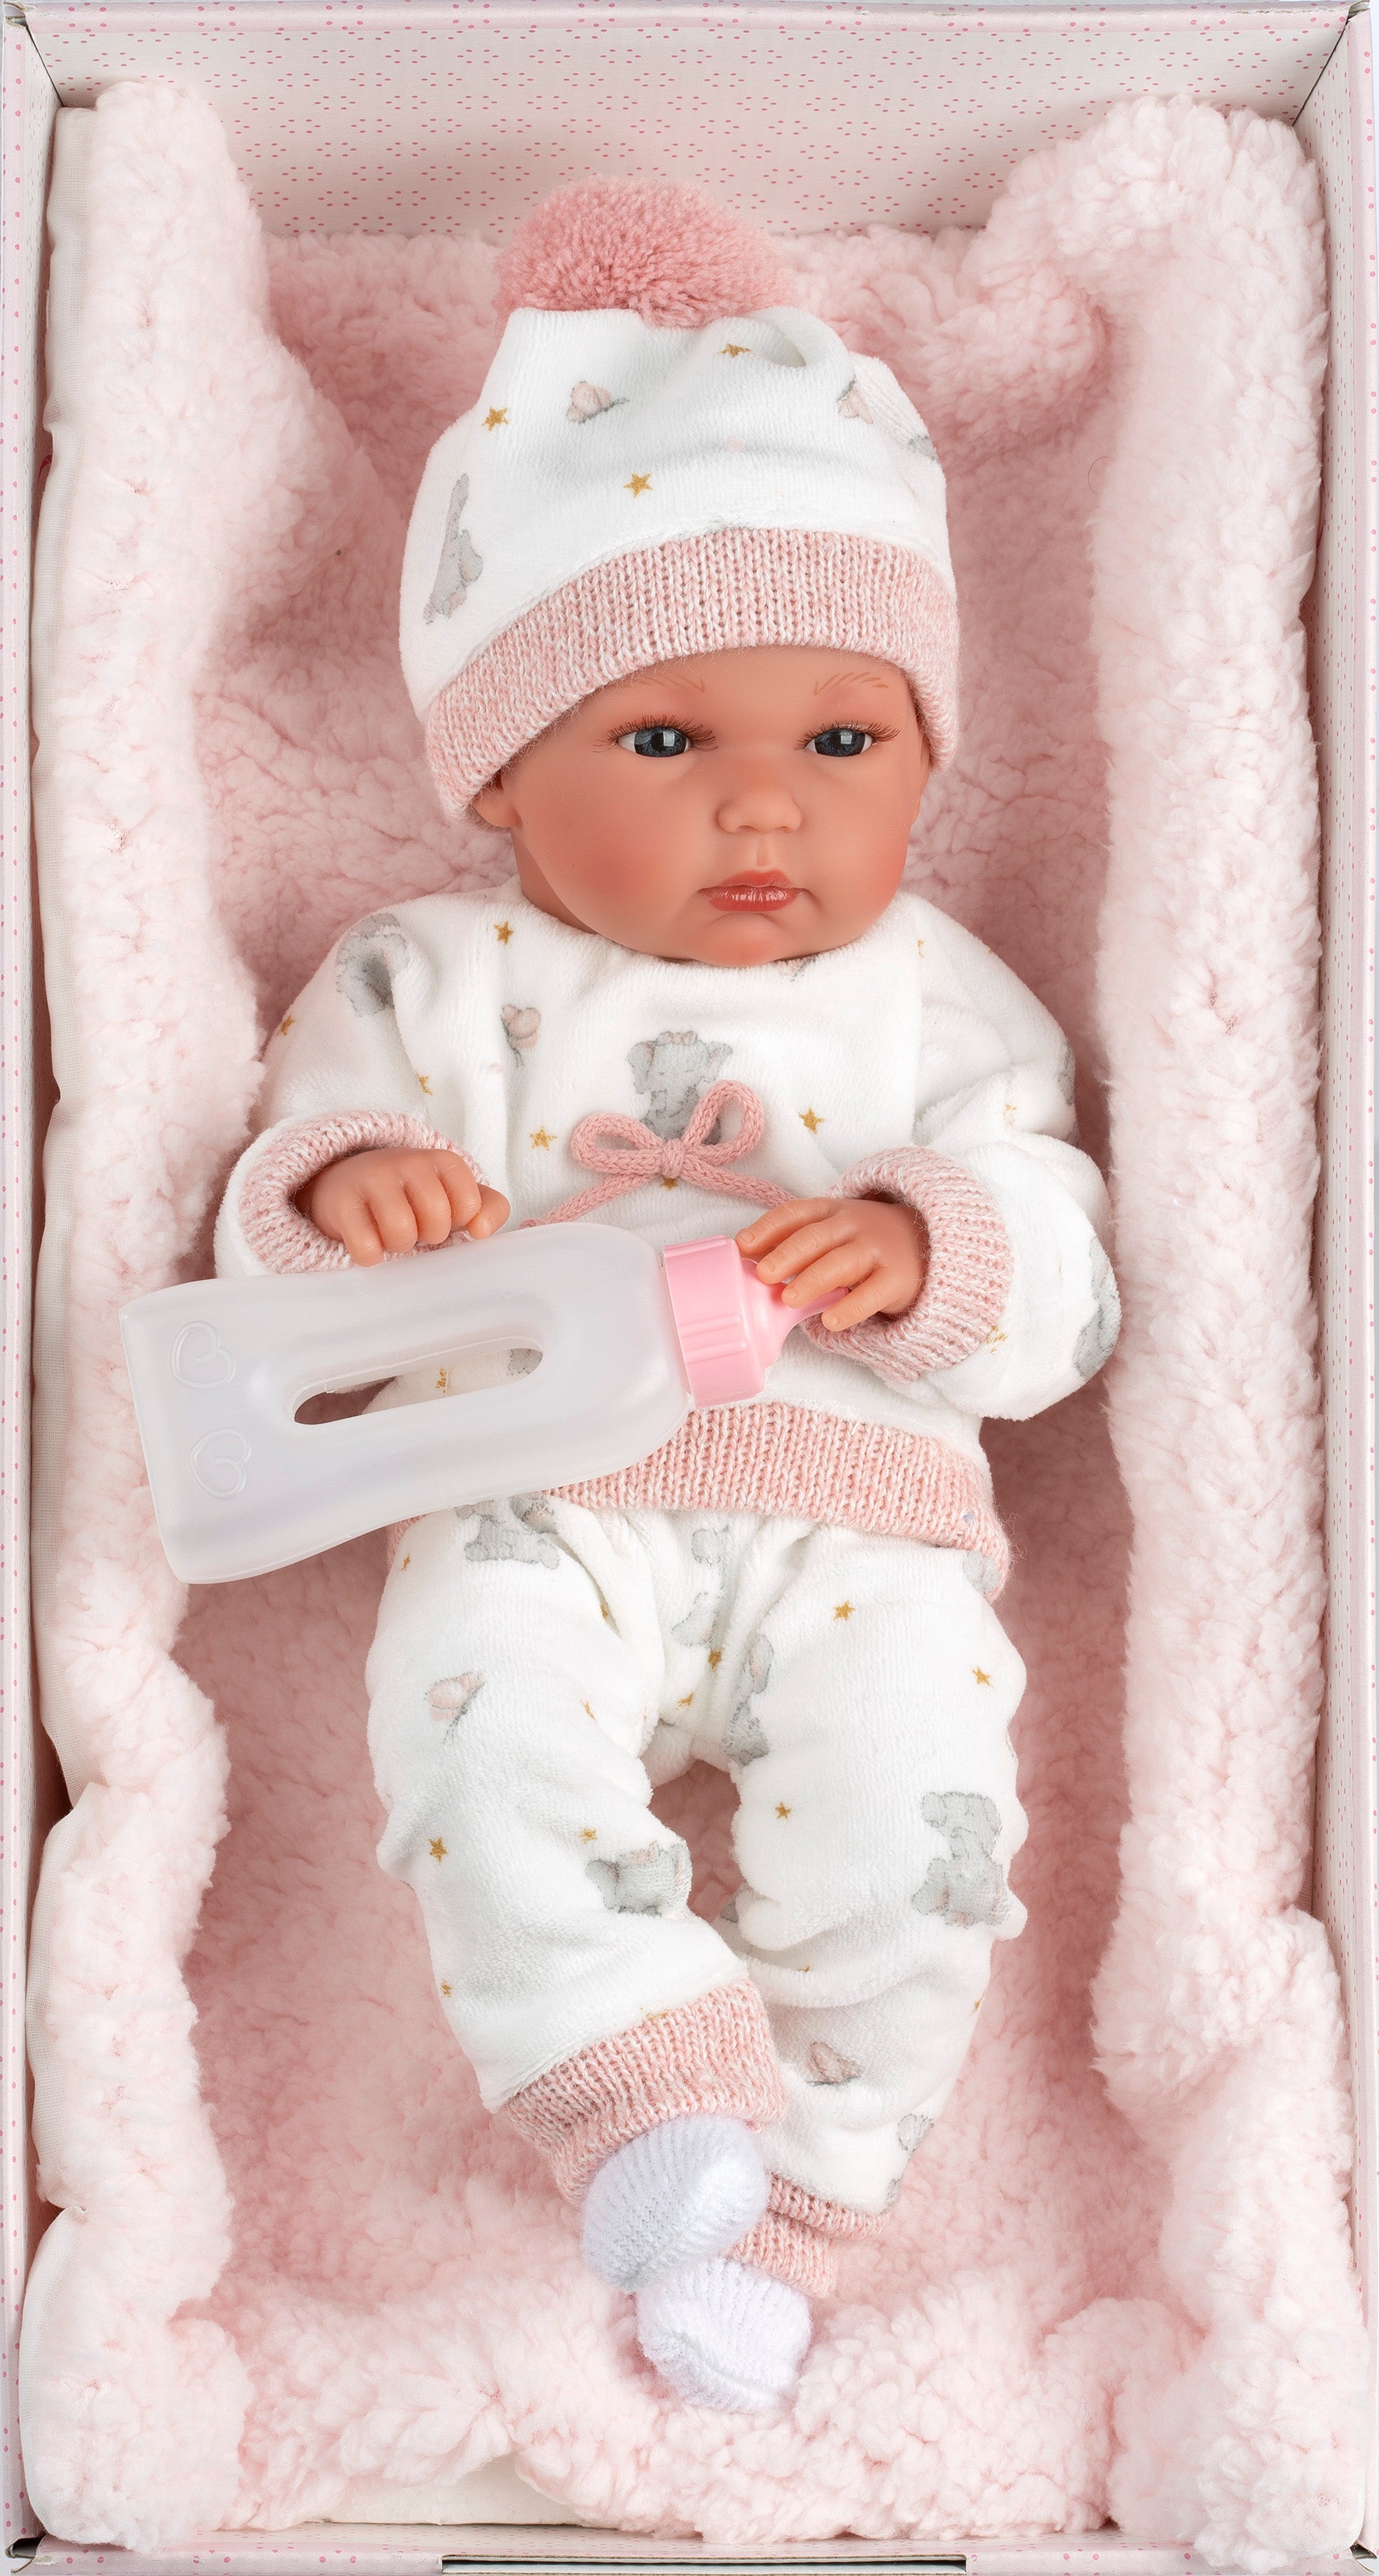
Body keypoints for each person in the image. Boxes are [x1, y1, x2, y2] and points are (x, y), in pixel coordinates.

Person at [215, 178, 1119, 2415]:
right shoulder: (434, 974)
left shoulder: (942, 998)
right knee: (479, 1753)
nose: (765, 814)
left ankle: (803, 2210)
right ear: (503, 773)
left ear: (926, 754)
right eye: (662, 743)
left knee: (925, 1836)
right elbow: (271, 1227)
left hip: (864, 1527)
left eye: (842, 744)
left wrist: (935, 1246)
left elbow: (1075, 1279)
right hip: (544, 1499)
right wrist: (357, 1189)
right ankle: (642, 2105)